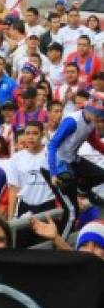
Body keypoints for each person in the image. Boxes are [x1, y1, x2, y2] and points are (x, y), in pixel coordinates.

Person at [44, 92, 104, 235]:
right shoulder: (72, 121)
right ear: (90, 110)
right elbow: (52, 145)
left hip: (72, 159)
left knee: (101, 175)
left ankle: (82, 190)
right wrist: (53, 173)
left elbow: (94, 142)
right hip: (57, 162)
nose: (99, 119)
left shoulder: (90, 122)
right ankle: (61, 243)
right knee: (72, 210)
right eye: (98, 115)